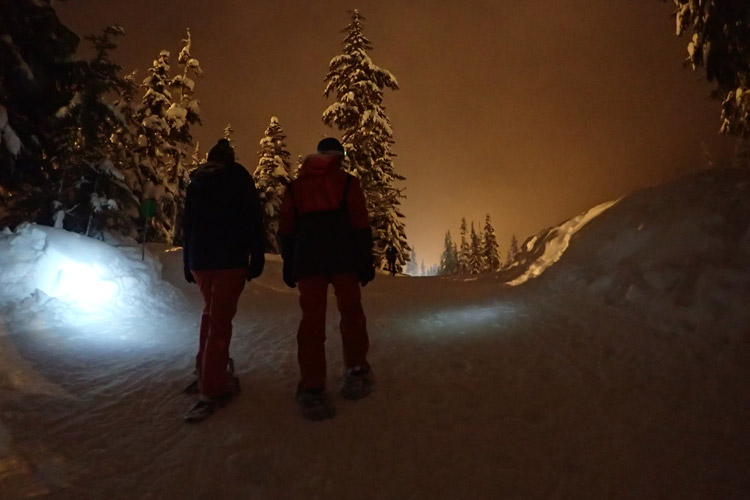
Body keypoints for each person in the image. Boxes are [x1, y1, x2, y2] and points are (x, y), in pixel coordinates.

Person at [278, 137, 375, 420]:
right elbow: (359, 223)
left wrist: (289, 262)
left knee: (311, 321)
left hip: (309, 261)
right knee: (351, 313)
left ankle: (312, 387)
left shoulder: (296, 187)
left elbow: (286, 229)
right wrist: (364, 259)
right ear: (339, 157)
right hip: (344, 259)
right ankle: (356, 370)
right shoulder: (347, 183)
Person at [182, 138, 265, 422]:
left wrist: (187, 261)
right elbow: (253, 218)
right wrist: (257, 255)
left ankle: (205, 370)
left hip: (200, 261)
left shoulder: (197, 181)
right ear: (230, 158)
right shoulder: (239, 177)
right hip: (230, 259)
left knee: (210, 314)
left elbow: (188, 223)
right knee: (220, 321)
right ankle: (214, 387)